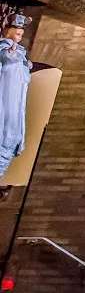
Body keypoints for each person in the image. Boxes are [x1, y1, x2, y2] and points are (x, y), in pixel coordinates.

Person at [0, 16, 30, 181]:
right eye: (17, 33)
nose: (19, 37)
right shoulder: (5, 48)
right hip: (6, 95)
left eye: (21, 34)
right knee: (6, 130)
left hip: (16, 98)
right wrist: (11, 55)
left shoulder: (19, 53)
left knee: (13, 129)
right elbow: (5, 57)